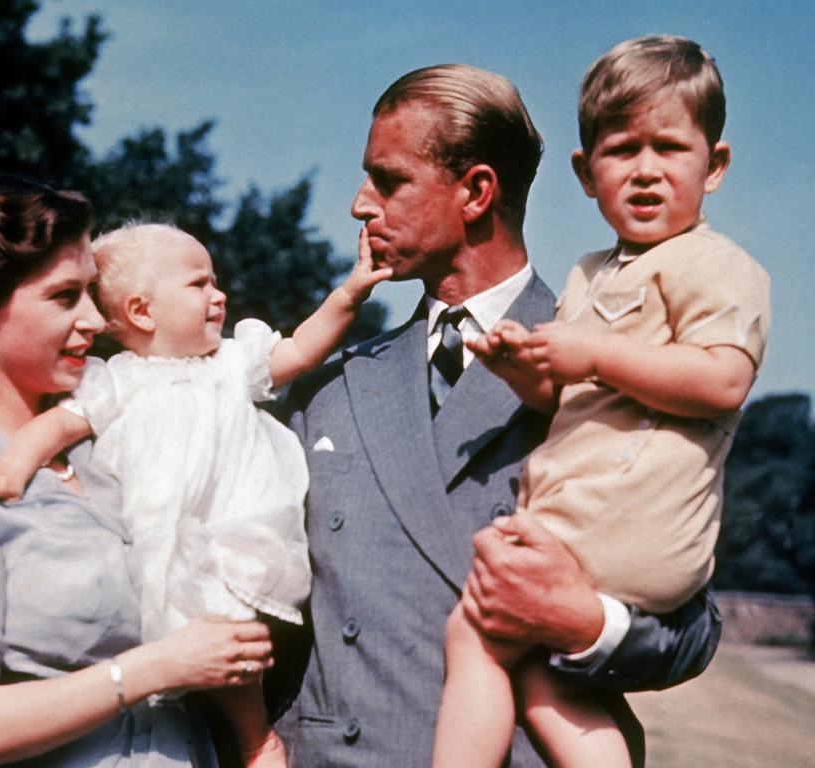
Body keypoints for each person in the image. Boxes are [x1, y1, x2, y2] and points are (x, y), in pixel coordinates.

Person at [271, 64, 724, 767]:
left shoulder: (619, 367)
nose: (361, 205)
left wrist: (581, 621)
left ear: (477, 191)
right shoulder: (330, 384)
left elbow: (693, 628)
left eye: (388, 181)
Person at [435, 36, 771, 768]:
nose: (646, 171)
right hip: (590, 514)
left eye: (670, 149)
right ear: (587, 174)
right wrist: (523, 368)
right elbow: (561, 398)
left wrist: (594, 352)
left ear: (713, 166)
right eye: (622, 151)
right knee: (535, 669)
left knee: (476, 631)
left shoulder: (719, 266)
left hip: (633, 521)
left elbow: (723, 381)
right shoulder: (591, 273)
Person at [0, 176, 278, 768]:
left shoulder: (113, 452)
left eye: (92, 292)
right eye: (64, 298)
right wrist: (154, 667)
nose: (95, 320)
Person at [0, 221, 391, 767]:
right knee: (179, 638)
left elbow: (300, 350)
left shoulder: (231, 364)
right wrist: (13, 468)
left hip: (236, 531)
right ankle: (201, 733)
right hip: (159, 536)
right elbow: (55, 429)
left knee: (229, 629)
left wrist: (351, 292)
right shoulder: (115, 380)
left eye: (216, 282)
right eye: (199, 284)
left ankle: (256, 737)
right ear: (142, 311)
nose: (220, 294)